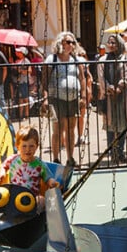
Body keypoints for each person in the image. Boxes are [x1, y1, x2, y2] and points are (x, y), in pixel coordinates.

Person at [42, 32, 85, 165]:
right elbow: (44, 79)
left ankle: (70, 157)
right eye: (68, 42)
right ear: (61, 43)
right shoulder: (52, 59)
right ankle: (55, 158)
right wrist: (45, 98)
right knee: (58, 128)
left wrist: (83, 96)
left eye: (73, 42)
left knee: (71, 128)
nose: (71, 45)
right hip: (56, 98)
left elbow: (82, 78)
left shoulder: (76, 60)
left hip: (73, 99)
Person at [0, 125, 60, 211]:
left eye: (31, 146)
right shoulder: (13, 159)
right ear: (17, 146)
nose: (28, 150)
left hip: (32, 198)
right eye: (24, 146)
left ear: (36, 147)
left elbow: (48, 177)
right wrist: (2, 172)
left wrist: (51, 182)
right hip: (14, 196)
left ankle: (34, 216)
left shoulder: (39, 164)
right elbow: (4, 166)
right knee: (1, 196)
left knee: (41, 200)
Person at [96, 33, 127, 164]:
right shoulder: (103, 60)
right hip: (108, 96)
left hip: (123, 96)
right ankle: (112, 152)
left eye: (114, 43)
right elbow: (101, 77)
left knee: (122, 125)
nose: (111, 45)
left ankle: (120, 152)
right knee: (110, 125)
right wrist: (108, 87)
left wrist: (120, 86)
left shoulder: (126, 58)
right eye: (110, 42)